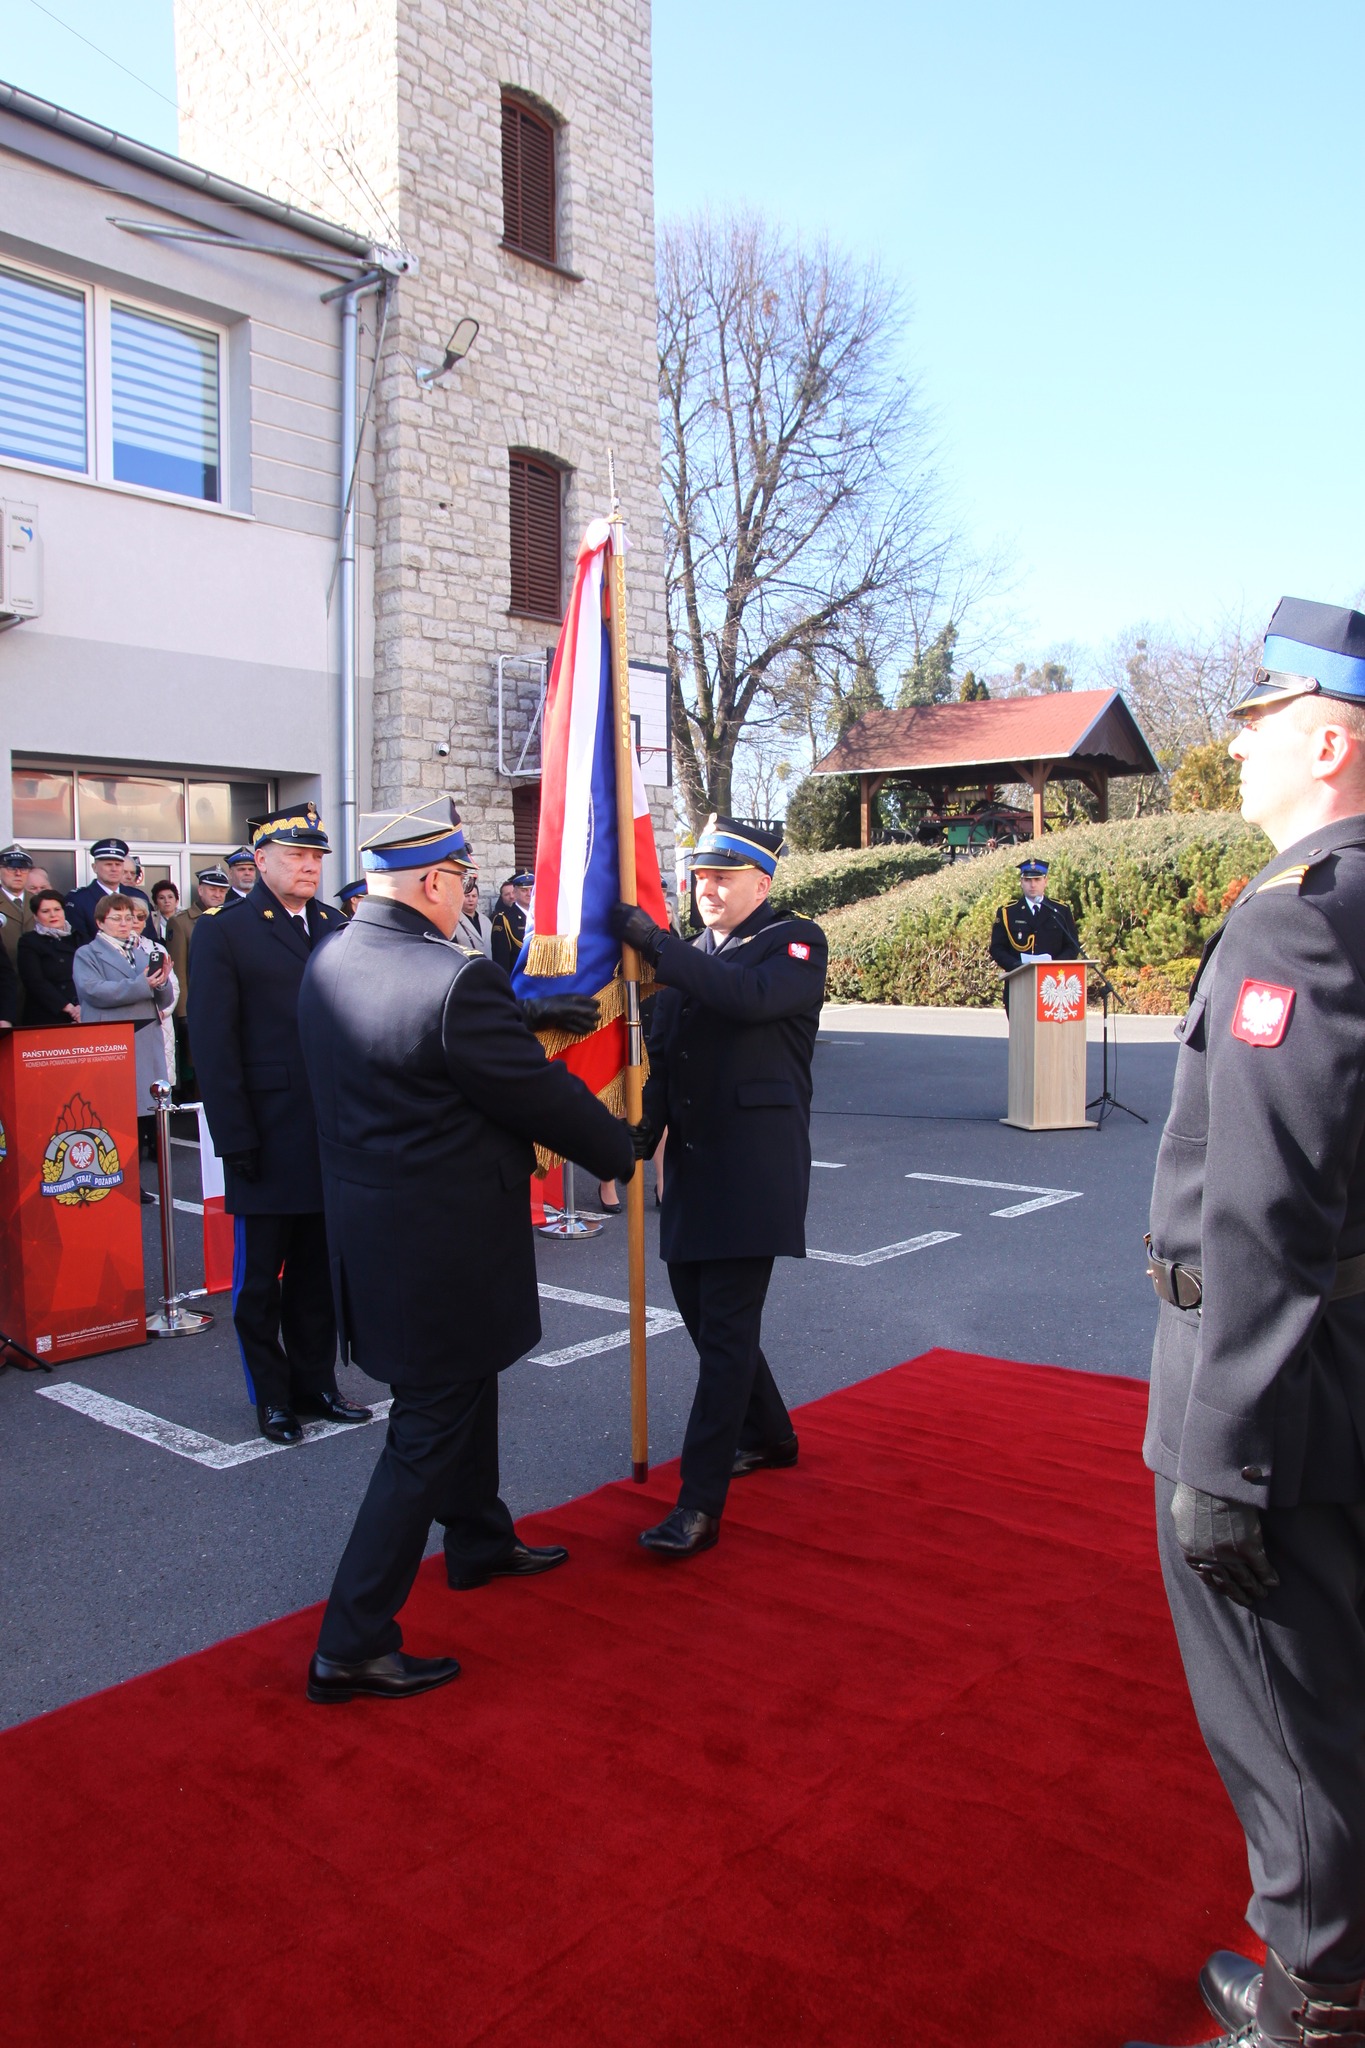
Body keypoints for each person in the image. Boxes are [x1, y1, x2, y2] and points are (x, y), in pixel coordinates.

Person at [1127, 597, 1365, 2048]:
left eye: (1262, 718)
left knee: (1283, 1709)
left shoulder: (1300, 918)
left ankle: (1309, 2001)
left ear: (1332, 742)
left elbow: (1270, 1212)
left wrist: (1222, 1455)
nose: (1238, 744)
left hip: (1275, 1390)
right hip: (1338, 1368)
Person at [297, 797, 632, 1705]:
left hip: (373, 1234)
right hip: (440, 1242)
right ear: (438, 883)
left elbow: (422, 1063)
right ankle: (351, 1641)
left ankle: (479, 1539)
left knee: (460, 1386)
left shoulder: (332, 955)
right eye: (464, 883)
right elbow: (527, 1094)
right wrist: (622, 1151)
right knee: (428, 1425)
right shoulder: (452, 979)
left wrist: (520, 1018)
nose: (465, 898)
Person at [610, 814, 828, 1560]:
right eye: (700, 877)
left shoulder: (793, 943)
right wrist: (642, 1132)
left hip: (753, 1171)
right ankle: (770, 1434)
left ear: (761, 883)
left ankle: (697, 1506)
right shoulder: (689, 958)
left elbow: (745, 999)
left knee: (725, 1338)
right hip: (694, 1170)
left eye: (724, 876)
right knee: (706, 1323)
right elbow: (666, 1060)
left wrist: (657, 946)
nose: (708, 889)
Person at [188, 805, 367, 1447]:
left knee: (320, 1271)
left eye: (317, 856)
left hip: (329, 1132)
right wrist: (234, 1136)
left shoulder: (335, 924)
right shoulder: (224, 931)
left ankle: (314, 1384)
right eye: (296, 856)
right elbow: (213, 1044)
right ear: (259, 861)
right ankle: (272, 1398)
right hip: (264, 1131)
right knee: (261, 1279)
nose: (310, 866)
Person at [72, 893, 176, 1199]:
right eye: (116, 918)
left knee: (140, 1116)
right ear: (100, 922)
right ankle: (114, 1178)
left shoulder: (144, 952)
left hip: (143, 1040)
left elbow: (164, 1000)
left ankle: (132, 1180)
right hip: (110, 1043)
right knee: (112, 1115)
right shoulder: (87, 953)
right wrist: (144, 984)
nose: (124, 924)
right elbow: (94, 992)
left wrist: (164, 981)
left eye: (129, 918)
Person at [988, 856, 1081, 1010]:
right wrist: (1016, 966)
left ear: (1046, 881)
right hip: (1018, 982)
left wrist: (1054, 966)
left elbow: (1072, 946)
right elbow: (997, 948)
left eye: (1037, 880)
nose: (1033, 885)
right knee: (1021, 1033)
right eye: (1028, 880)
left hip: (1053, 986)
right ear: (1021, 882)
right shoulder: (1008, 912)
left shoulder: (1060, 910)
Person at [167, 866, 229, 1098]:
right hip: (198, 1006)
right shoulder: (181, 923)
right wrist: (183, 1013)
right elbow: (179, 970)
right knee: (201, 1068)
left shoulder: (230, 916)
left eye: (222, 890)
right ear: (200, 890)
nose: (217, 894)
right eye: (212, 889)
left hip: (225, 1004)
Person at [128, 895, 179, 1094]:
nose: (135, 922)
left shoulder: (157, 948)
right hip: (133, 1020)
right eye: (130, 916)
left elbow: (173, 985)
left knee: (159, 1079)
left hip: (159, 1019)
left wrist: (163, 1011)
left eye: (141, 917)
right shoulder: (117, 950)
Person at [17, 890, 80, 1026]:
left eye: (57, 909)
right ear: (36, 916)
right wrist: (68, 1007)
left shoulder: (79, 937)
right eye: (45, 911)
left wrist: (81, 1006)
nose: (53, 915)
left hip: (82, 1011)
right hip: (48, 1014)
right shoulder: (29, 941)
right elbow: (34, 981)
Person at [65, 837, 130, 944]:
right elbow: (79, 942)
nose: (114, 869)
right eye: (108, 864)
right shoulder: (78, 900)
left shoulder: (137, 896)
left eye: (118, 864)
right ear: (94, 867)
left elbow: (149, 937)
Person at [490, 870, 533, 972]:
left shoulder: (542, 916)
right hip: (518, 981)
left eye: (532, 890)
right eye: (524, 890)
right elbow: (501, 959)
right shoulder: (504, 919)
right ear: (515, 892)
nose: (529, 894)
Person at [454, 869, 492, 957]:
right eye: (467, 896)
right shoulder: (455, 921)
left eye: (474, 896)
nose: (471, 899)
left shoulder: (486, 921)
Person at [150, 879, 180, 944]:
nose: (166, 901)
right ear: (156, 903)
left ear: (177, 901)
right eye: (161, 898)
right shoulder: (151, 920)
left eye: (170, 897)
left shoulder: (185, 917)